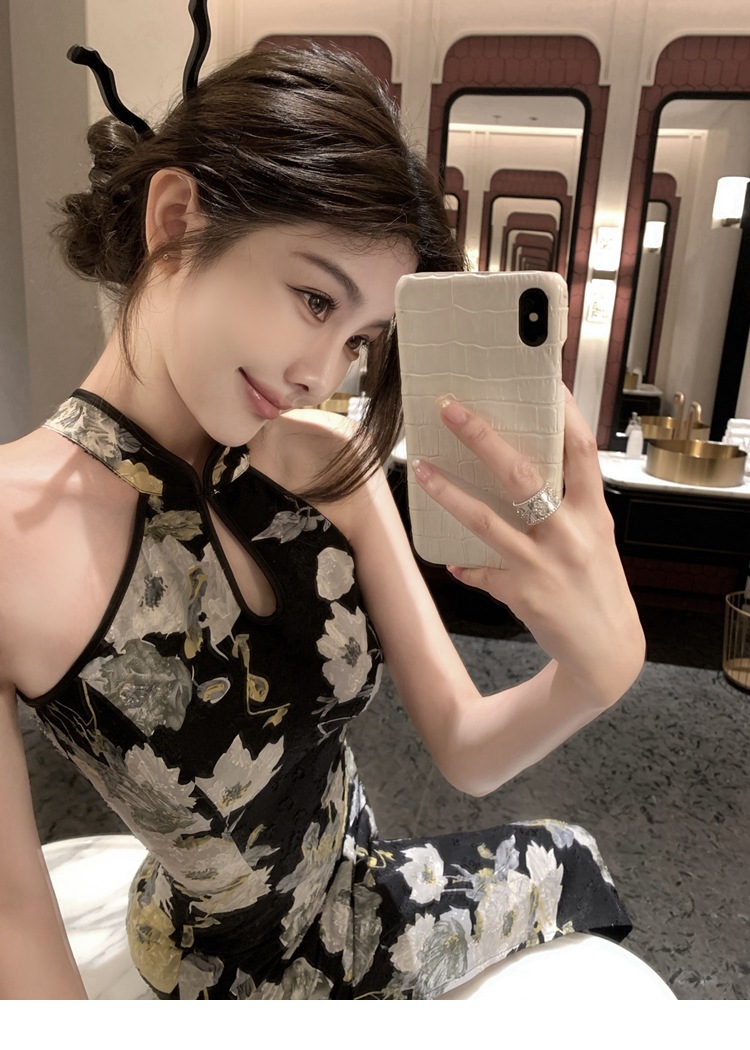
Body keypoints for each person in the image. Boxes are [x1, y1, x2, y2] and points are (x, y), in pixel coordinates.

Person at [0, 25, 646, 1000]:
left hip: (361, 886)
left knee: (573, 851)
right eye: (314, 299)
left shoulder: (318, 461)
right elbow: (13, 918)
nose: (324, 372)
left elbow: (465, 742)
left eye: (361, 339)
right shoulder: (11, 542)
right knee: (572, 862)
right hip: (233, 971)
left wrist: (596, 673)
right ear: (175, 219)